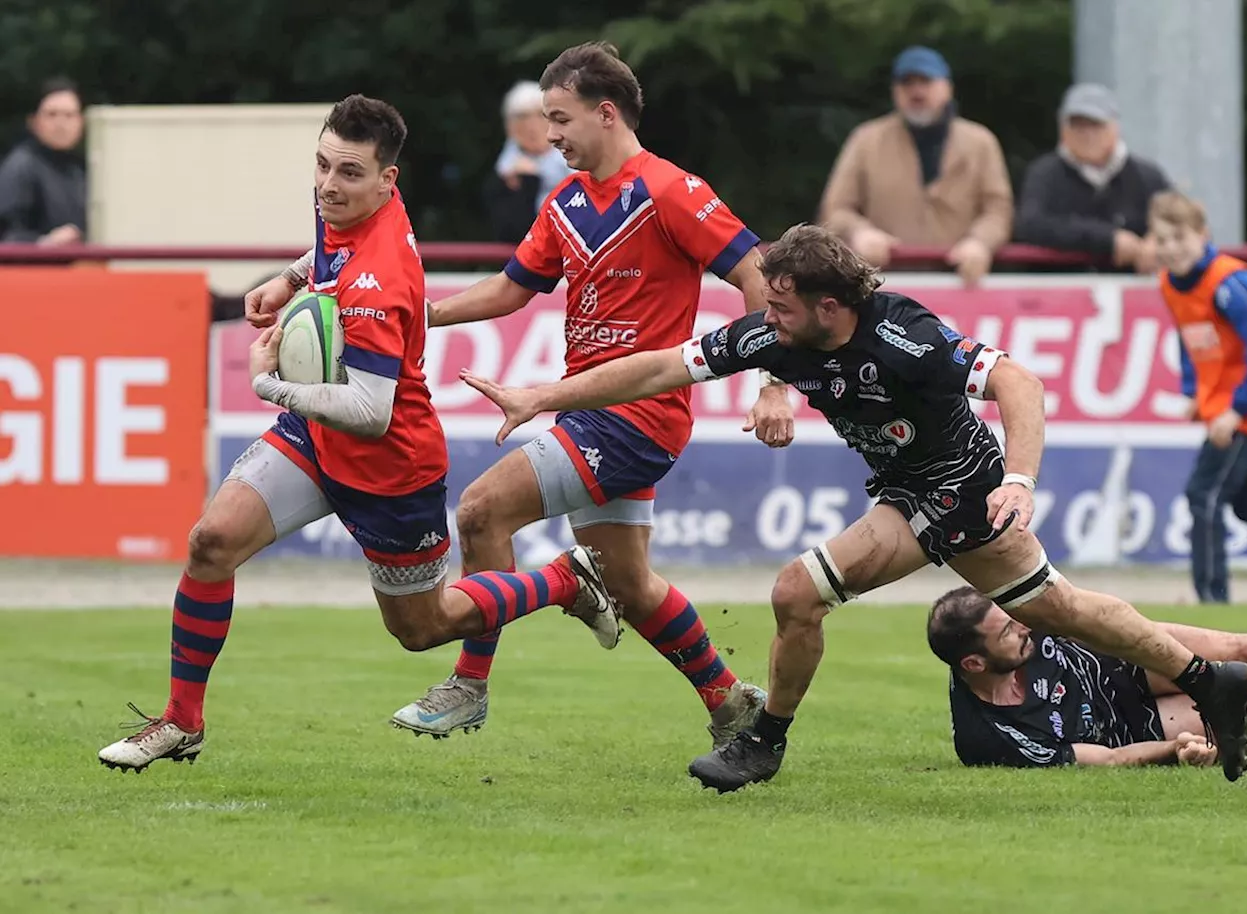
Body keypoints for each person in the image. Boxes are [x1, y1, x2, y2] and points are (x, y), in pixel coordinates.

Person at [458, 221, 1247, 791]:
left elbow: (1020, 382)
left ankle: (763, 742)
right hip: (907, 492)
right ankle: (1206, 680)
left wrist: (1020, 479)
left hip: (960, 490)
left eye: (779, 306)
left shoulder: (905, 334)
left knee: (818, 593)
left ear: (830, 308)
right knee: (1050, 609)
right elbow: (656, 370)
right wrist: (543, 395)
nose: (763, 318)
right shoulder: (778, 337)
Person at [97, 95, 621, 773]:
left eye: (347, 173)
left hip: (388, 468)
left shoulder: (382, 279)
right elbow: (327, 246)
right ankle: (180, 721)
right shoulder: (343, 205)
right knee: (211, 542)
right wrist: (291, 278)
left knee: (422, 628)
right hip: (316, 436)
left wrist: (268, 388)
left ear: (387, 181)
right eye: (321, 165)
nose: (326, 184)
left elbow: (371, 411)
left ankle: (563, 581)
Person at [389, 41, 790, 747]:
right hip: (592, 415)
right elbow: (513, 288)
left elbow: (761, 275)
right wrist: (420, 314)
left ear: (606, 114)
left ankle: (470, 685)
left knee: (482, 513)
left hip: (637, 418)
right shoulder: (565, 202)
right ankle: (730, 703)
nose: (550, 135)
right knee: (630, 586)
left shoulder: (671, 190)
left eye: (560, 118)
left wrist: (771, 384)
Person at [929, 586, 1247, 768]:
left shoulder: (1019, 615)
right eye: (1007, 631)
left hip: (1121, 658)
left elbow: (1078, 611)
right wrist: (1175, 750)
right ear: (974, 664)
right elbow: (1109, 760)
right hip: (1137, 728)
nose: (1022, 626)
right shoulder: (993, 739)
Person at [1149, 190, 1247, 603]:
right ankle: (1212, 596)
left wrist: (1239, 409)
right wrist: (1193, 391)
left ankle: (1212, 599)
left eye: (1180, 238)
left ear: (1202, 234)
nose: (1171, 249)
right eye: (1162, 240)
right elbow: (1190, 340)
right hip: (1220, 407)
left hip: (1241, 409)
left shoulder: (1229, 283)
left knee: (1202, 495)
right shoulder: (1170, 284)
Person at [817, 46, 1012, 286]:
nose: (917, 91)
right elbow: (835, 209)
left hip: (959, 282)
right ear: (894, 91)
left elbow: (998, 210)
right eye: (907, 83)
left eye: (926, 81)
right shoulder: (866, 140)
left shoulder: (980, 142)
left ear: (947, 87)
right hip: (883, 283)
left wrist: (980, 242)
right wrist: (859, 232)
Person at [1014, 84, 1170, 273]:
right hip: (1061, 293)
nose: (1087, 134)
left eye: (1096, 125)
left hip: (1134, 294)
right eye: (1077, 125)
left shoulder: (1147, 176)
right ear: (1063, 130)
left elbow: (1181, 221)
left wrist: (1158, 241)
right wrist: (1109, 239)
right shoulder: (1044, 174)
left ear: (1115, 127)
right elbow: (1030, 225)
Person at [483, 80, 575, 243]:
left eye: (540, 116)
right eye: (522, 118)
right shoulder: (505, 172)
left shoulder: (579, 159)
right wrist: (528, 181)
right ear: (509, 127)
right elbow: (511, 234)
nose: (532, 126)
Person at [0, 77, 87, 244]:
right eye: (51, 114)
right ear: (33, 122)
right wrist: (44, 243)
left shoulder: (84, 169)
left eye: (69, 115)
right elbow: (7, 236)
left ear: (81, 122)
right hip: (36, 268)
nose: (61, 123)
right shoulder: (20, 167)